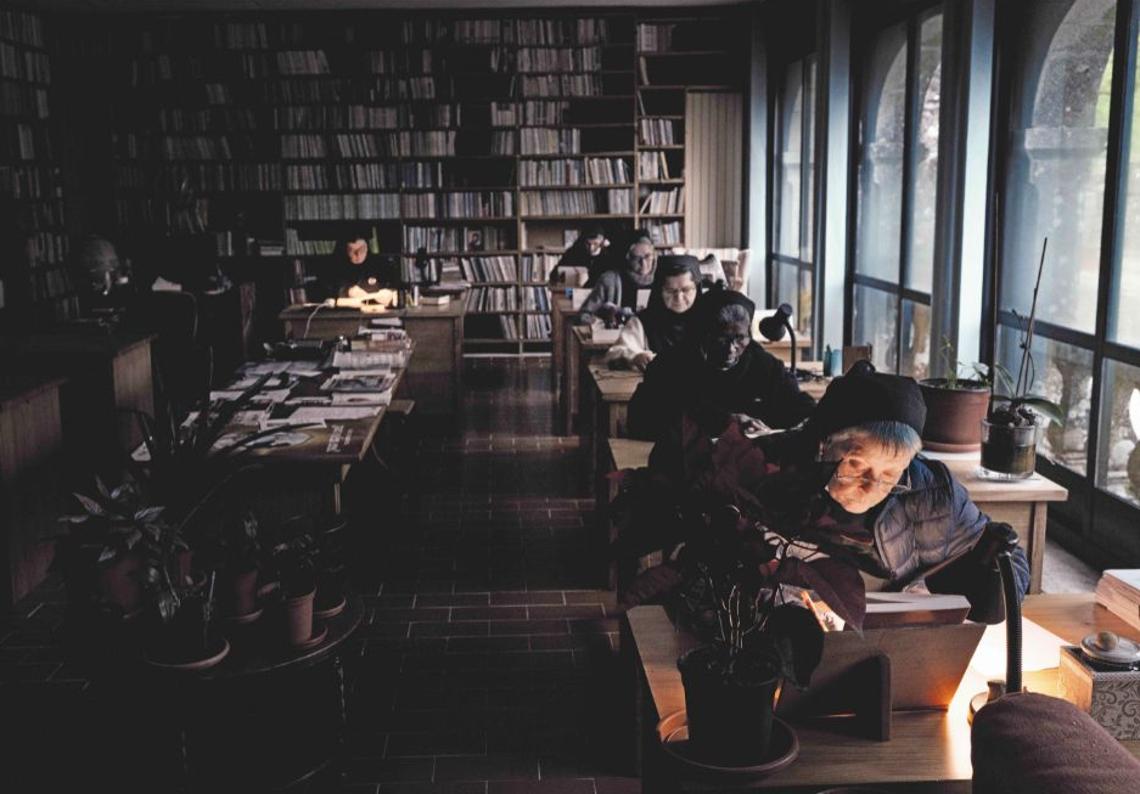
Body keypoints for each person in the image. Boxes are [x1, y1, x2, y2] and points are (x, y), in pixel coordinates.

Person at [727, 364, 1029, 618]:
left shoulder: (933, 491)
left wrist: (992, 583)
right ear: (824, 444)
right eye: (857, 465)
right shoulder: (765, 474)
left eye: (891, 472)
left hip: (899, 643)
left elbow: (1012, 561)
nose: (872, 486)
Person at [627, 287, 815, 441]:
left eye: (740, 338)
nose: (731, 349)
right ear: (703, 334)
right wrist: (724, 422)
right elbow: (640, 420)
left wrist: (808, 420)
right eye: (721, 339)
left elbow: (798, 405)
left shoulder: (764, 364)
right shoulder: (671, 364)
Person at [606, 254, 702, 371]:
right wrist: (634, 357)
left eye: (686, 290)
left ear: (697, 288)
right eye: (670, 291)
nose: (679, 298)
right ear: (659, 290)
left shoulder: (709, 319)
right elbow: (614, 353)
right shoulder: (643, 322)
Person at [577, 229, 657, 323]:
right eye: (637, 258)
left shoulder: (663, 281)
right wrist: (604, 321)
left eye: (648, 257)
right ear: (629, 258)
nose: (643, 264)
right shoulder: (609, 280)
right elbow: (583, 316)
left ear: (655, 257)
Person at [550, 224, 613, 288]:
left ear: (602, 243)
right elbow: (553, 275)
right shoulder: (573, 252)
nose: (591, 247)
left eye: (595, 244)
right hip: (572, 291)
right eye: (588, 244)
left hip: (597, 292)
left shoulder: (607, 256)